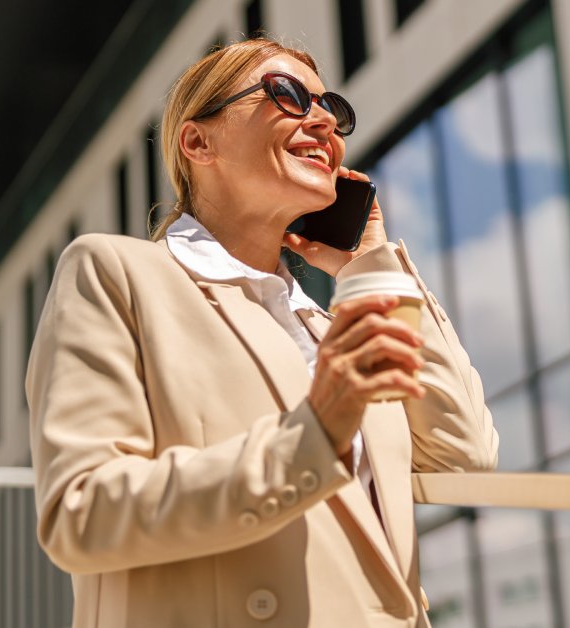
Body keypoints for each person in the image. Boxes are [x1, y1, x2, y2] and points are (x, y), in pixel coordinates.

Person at [26, 38, 498, 628]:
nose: (324, 121)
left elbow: (464, 461)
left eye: (333, 108)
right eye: (289, 95)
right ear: (198, 142)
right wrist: (311, 436)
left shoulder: (330, 332)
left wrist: (371, 264)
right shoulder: (117, 275)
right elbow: (82, 513)